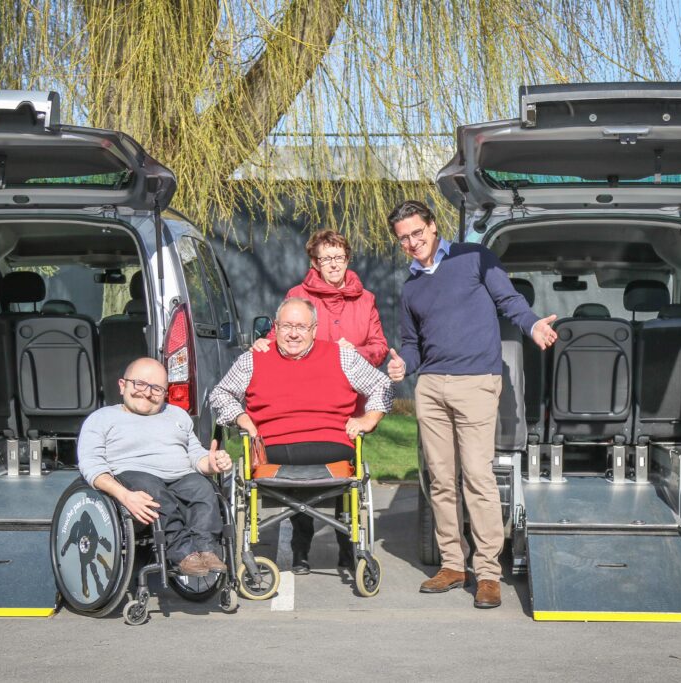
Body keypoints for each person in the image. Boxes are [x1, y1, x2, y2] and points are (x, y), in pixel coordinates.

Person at [385, 200, 558, 609]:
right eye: (403, 238)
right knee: (441, 480)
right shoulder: (411, 286)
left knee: (476, 476)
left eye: (417, 233)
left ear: (433, 225)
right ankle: (452, 565)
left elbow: (509, 301)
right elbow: (412, 345)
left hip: (477, 382)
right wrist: (401, 365)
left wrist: (532, 324)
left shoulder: (473, 258)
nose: (412, 243)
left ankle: (487, 573)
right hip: (430, 387)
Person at [210, 297, 393, 574]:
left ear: (314, 329)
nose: (293, 333)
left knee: (332, 470)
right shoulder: (253, 358)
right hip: (275, 447)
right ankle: (300, 547)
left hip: (331, 444)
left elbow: (382, 385)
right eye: (286, 326)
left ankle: (342, 547)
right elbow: (220, 394)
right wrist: (242, 417)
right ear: (275, 327)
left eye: (301, 327)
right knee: (291, 464)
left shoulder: (340, 355)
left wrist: (369, 418)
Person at [77, 357, 233, 577]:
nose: (147, 392)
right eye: (139, 384)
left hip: (180, 476)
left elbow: (195, 455)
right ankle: (182, 554)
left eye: (156, 388)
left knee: (202, 487)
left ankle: (206, 549)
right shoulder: (101, 419)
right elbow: (91, 464)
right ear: (122, 385)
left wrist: (211, 463)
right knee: (153, 489)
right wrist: (124, 495)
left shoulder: (177, 415)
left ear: (165, 392)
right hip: (132, 477)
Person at [253, 229, 387, 367]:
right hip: (308, 379)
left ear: (347, 260)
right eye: (326, 259)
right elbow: (280, 338)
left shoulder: (366, 299)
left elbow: (379, 348)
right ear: (315, 263)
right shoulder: (297, 295)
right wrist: (264, 344)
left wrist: (354, 353)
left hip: (353, 382)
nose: (334, 264)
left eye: (339, 257)